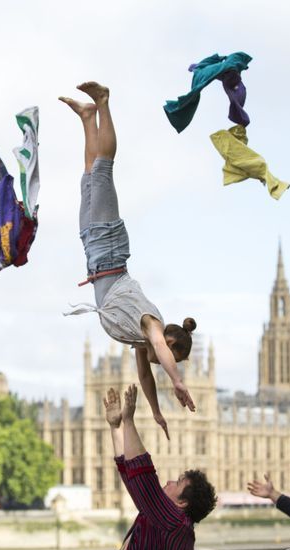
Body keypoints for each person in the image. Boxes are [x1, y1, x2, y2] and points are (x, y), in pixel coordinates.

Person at [60, 83, 198, 440]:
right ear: (169, 344)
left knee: (90, 177)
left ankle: (88, 120)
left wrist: (155, 410)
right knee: (104, 171)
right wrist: (178, 382)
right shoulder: (151, 321)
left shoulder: (140, 341)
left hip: (94, 253)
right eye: (173, 357)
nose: (165, 361)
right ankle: (104, 103)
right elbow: (161, 360)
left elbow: (144, 377)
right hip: (108, 249)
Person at [102, 384, 216, 550]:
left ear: (182, 503)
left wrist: (128, 422)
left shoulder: (175, 523)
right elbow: (131, 474)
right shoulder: (156, 516)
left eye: (178, 482)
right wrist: (116, 428)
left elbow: (143, 473)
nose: (170, 481)